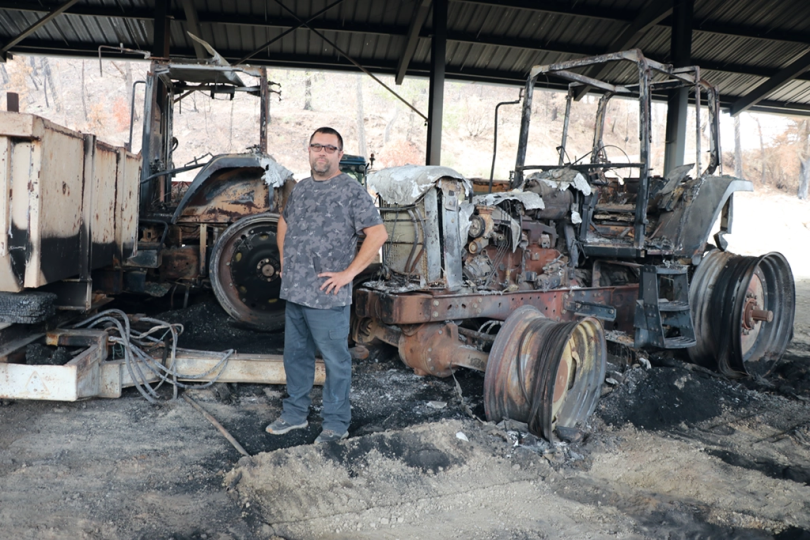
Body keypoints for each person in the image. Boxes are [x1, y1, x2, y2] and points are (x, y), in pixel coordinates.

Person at [265, 127, 388, 443]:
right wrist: (285, 261)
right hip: (296, 291)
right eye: (316, 146)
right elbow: (284, 221)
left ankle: (335, 424)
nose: (322, 153)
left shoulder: (351, 191)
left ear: (339, 155)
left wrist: (348, 274)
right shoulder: (302, 189)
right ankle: (295, 415)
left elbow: (378, 234)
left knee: (336, 361)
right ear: (309, 150)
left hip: (327, 296)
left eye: (329, 148)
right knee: (296, 356)